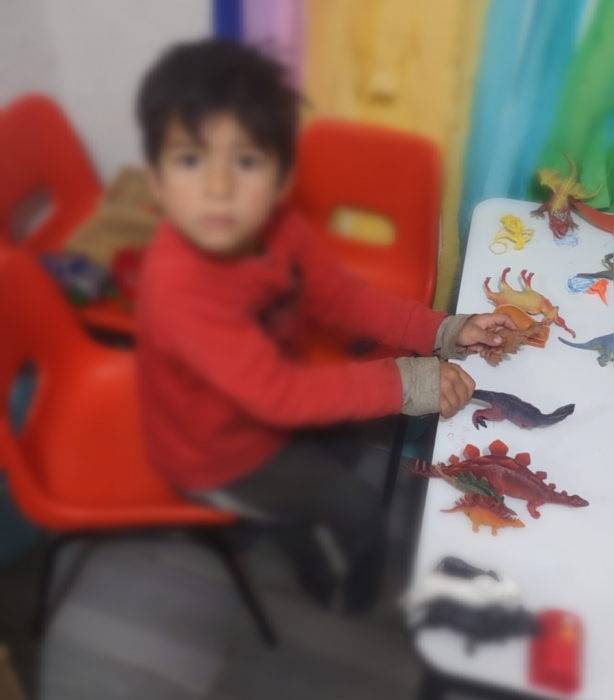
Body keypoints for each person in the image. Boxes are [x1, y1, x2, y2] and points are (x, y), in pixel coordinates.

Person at [135, 39, 513, 613]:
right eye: (191, 160)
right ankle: (349, 589)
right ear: (157, 180)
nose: (219, 187)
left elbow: (346, 301)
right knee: (356, 508)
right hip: (213, 452)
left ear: (282, 176)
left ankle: (282, 523)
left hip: (269, 408)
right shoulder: (179, 287)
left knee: (336, 451)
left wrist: (444, 331)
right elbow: (277, 394)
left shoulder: (279, 230)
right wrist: (408, 381)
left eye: (245, 161)